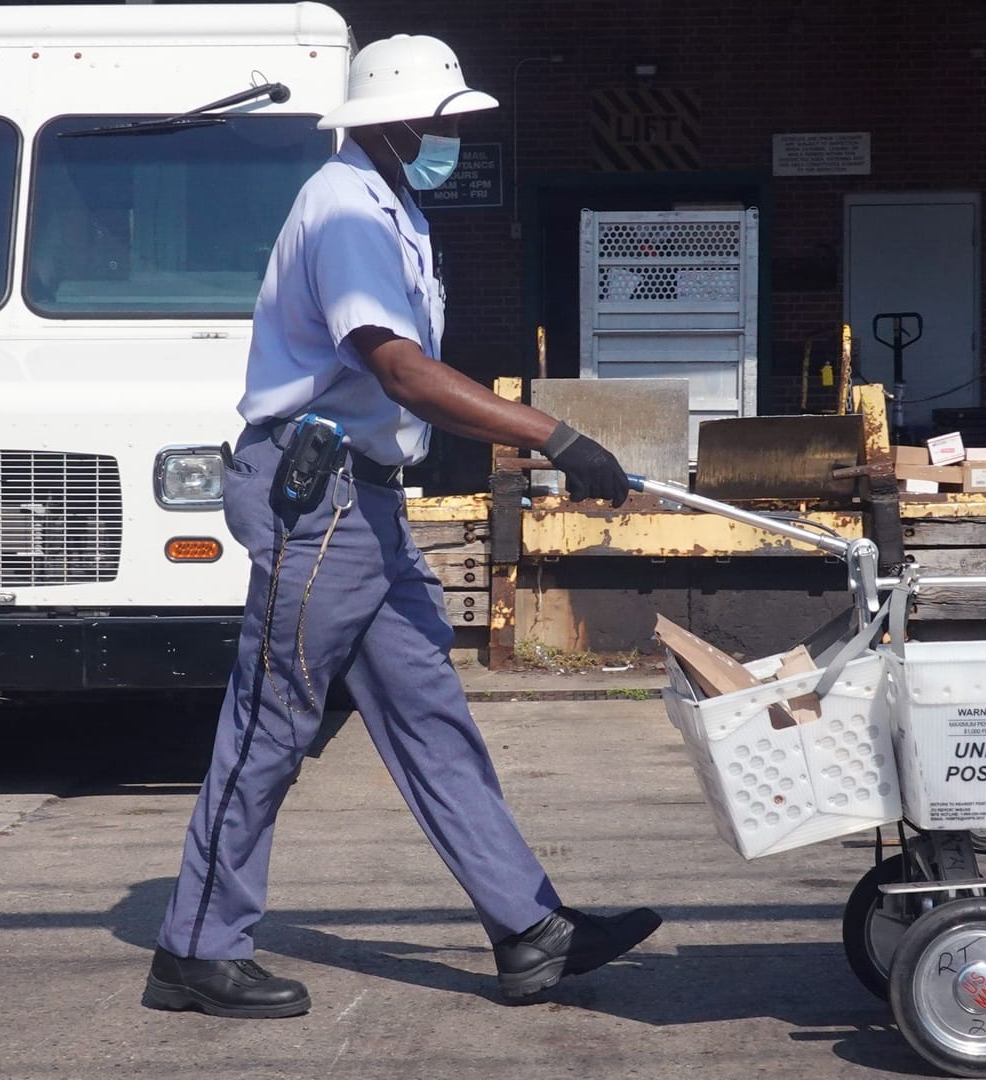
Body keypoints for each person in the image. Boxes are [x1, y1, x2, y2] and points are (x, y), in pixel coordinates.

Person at [143, 33, 659, 1020]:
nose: (443, 136)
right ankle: (194, 949)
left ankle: (529, 929)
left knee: (431, 715)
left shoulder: (390, 206)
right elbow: (399, 370)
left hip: (362, 498)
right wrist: (553, 434)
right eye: (432, 119)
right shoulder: (345, 208)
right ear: (384, 120)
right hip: (318, 496)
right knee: (271, 723)